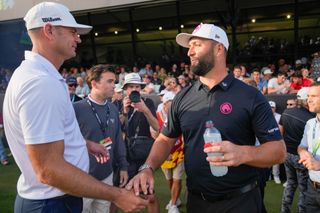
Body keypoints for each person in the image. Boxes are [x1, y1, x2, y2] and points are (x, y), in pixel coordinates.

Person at [3, 2, 149, 212]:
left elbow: (46, 138)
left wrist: (83, 144)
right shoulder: (41, 83)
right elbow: (48, 170)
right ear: (49, 30)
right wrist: (116, 194)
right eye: (73, 31)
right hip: (51, 202)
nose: (78, 38)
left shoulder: (38, 76)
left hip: (51, 199)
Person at [126, 23, 286, 213]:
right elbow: (165, 138)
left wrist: (244, 153)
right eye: (189, 47)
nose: (190, 52)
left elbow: (279, 151)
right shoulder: (182, 97)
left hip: (241, 202)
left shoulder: (250, 96)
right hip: (196, 202)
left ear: (219, 49)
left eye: (197, 45)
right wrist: (147, 167)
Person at [73, 65, 129, 213]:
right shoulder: (76, 109)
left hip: (106, 176)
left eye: (114, 81)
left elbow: (117, 140)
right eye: (110, 81)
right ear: (94, 83)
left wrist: (123, 166)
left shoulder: (113, 108)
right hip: (82, 178)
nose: (114, 85)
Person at [122, 73, 160, 213]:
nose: (134, 89)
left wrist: (145, 110)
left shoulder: (148, 102)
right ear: (125, 89)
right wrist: (124, 111)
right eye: (131, 86)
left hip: (144, 152)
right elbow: (116, 129)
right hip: (127, 152)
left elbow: (157, 127)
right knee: (126, 192)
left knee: (150, 194)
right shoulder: (118, 103)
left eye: (137, 86)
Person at [280, 87, 314, 213]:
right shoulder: (310, 119)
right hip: (300, 157)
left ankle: (285, 210)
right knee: (303, 188)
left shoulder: (286, 112)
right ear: (306, 100)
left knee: (290, 183)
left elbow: (280, 133)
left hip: (287, 155)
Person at [152, 91, 184, 213]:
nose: (172, 106)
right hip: (164, 154)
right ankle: (174, 198)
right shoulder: (157, 116)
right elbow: (154, 135)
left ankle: (173, 204)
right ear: (164, 104)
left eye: (173, 103)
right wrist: (165, 152)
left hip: (179, 152)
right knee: (169, 179)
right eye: (170, 103)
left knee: (177, 179)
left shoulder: (179, 115)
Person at [298, 82, 320, 212]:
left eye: (314, 96)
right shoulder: (310, 123)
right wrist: (302, 152)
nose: (309, 100)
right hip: (312, 189)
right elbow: (302, 146)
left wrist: (318, 164)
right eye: (308, 96)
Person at [269, 101, 282, 184]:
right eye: (269, 107)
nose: (271, 109)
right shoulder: (262, 115)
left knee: (276, 159)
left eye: (272, 107)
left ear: (275, 108)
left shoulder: (280, 116)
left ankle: (276, 175)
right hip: (264, 140)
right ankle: (268, 175)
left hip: (276, 140)